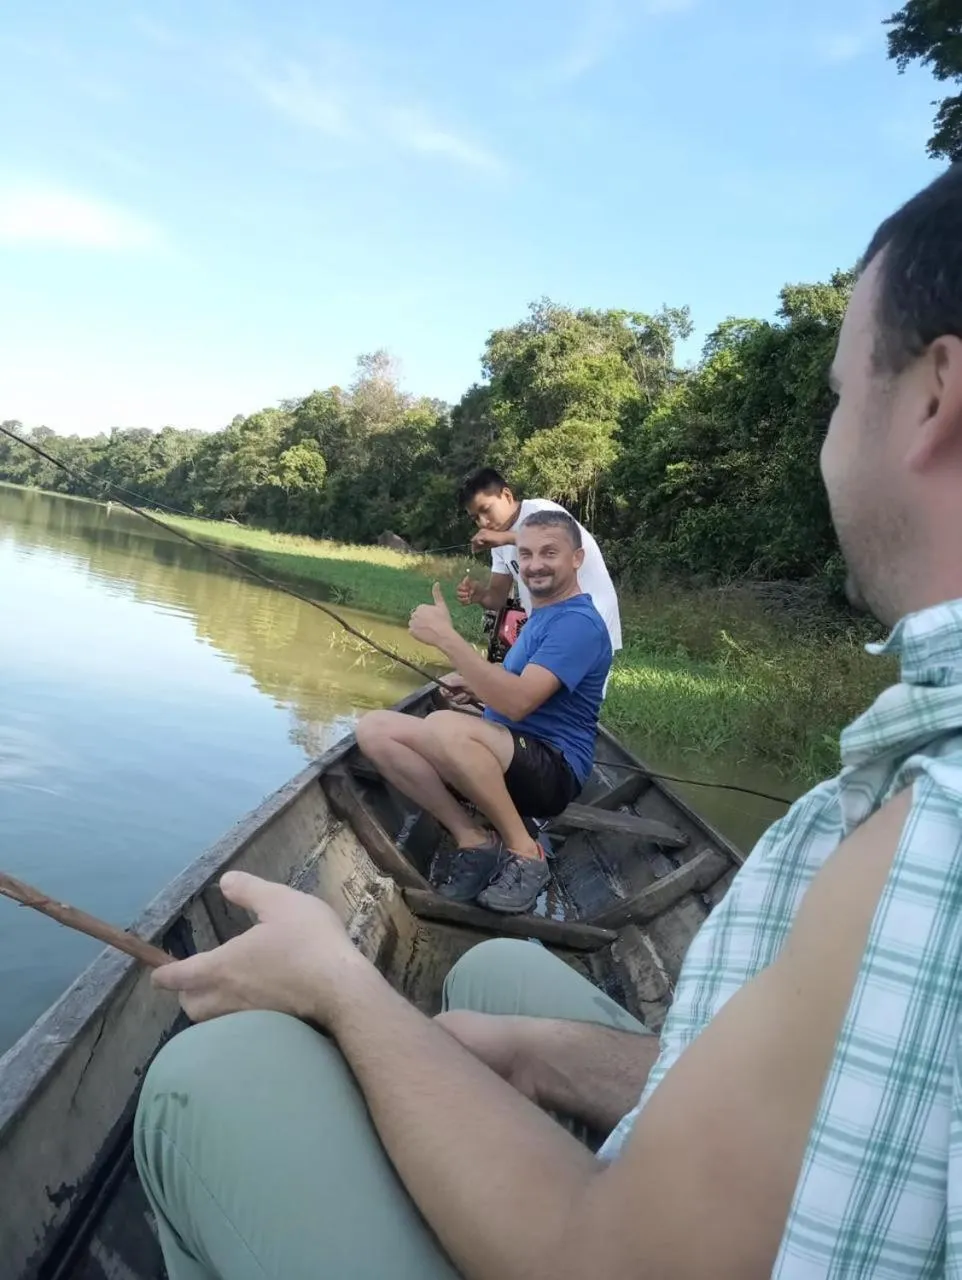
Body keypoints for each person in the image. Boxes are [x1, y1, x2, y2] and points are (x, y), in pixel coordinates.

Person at [137, 164, 962, 1279]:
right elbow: (828, 1130)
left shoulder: (921, 839)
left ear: (933, 397)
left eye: (837, 396)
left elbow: (624, 1261)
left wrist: (342, 986)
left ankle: (514, 856)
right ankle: (489, 867)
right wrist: (540, 1055)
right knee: (488, 983)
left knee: (205, 1080)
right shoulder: (906, 782)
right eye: (514, 550)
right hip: (731, 1150)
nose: (826, 442)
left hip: (625, 1231)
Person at [355, 508, 611, 913]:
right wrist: (475, 687)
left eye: (549, 553)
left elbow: (518, 701)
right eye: (526, 554)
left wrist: (447, 638)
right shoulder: (541, 616)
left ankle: (526, 854)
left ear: (576, 558)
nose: (535, 565)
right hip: (509, 754)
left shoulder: (578, 623)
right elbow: (514, 688)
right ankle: (474, 840)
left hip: (553, 772)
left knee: (444, 726)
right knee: (374, 729)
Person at [456, 468, 623, 658]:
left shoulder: (541, 511)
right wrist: (480, 595)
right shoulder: (499, 541)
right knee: (516, 672)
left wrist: (504, 538)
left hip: (587, 619)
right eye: (475, 518)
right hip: (547, 624)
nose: (483, 522)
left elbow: (550, 543)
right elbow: (497, 598)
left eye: (486, 510)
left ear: (507, 495)